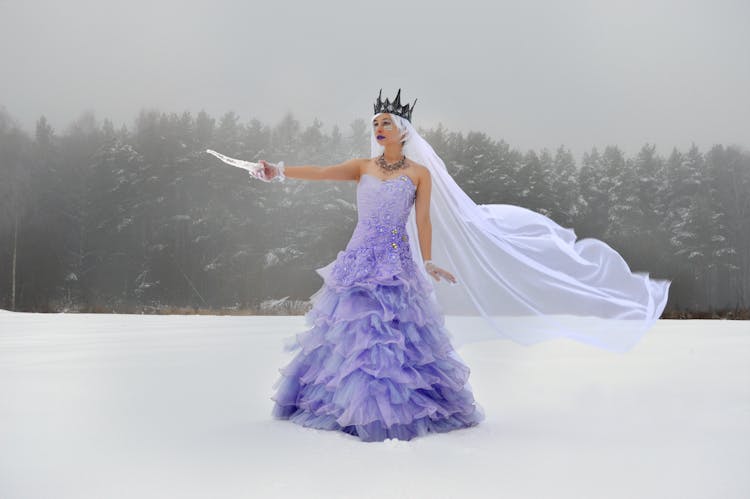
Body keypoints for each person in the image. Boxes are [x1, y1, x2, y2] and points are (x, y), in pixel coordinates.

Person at [264, 90, 486, 442]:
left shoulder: (419, 174)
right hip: (358, 260)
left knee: (393, 339)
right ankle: (346, 407)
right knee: (354, 334)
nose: (379, 128)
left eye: (386, 123)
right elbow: (321, 172)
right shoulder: (362, 167)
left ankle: (392, 411)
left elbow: (424, 221)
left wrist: (427, 260)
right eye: (376, 123)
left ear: (403, 130)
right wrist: (278, 171)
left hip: (395, 263)